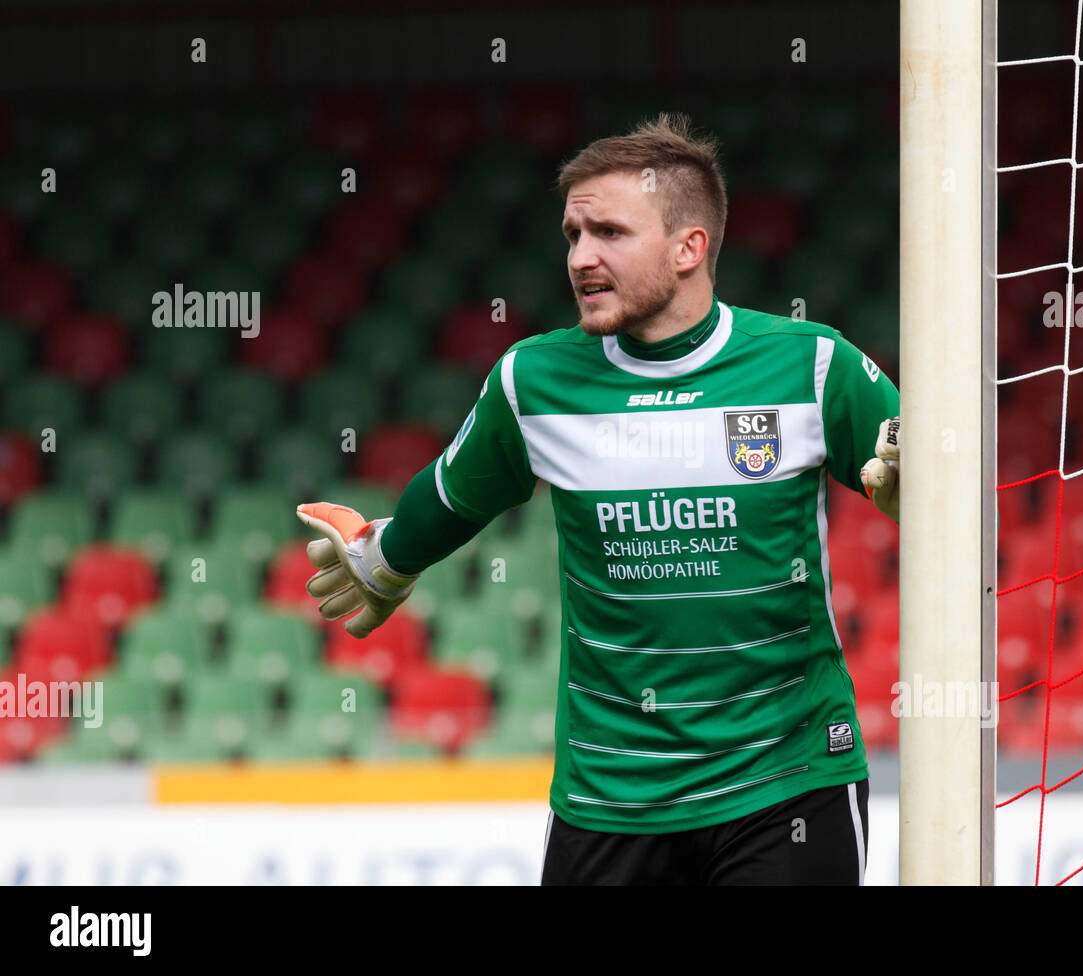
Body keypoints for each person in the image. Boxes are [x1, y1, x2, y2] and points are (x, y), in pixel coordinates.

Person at [297, 112, 901, 885]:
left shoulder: (812, 368)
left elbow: (922, 481)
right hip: (610, 799)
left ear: (690, 247)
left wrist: (921, 498)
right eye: (573, 235)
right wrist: (382, 558)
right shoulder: (535, 382)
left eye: (609, 233)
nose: (581, 257)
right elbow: (448, 500)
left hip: (786, 782)